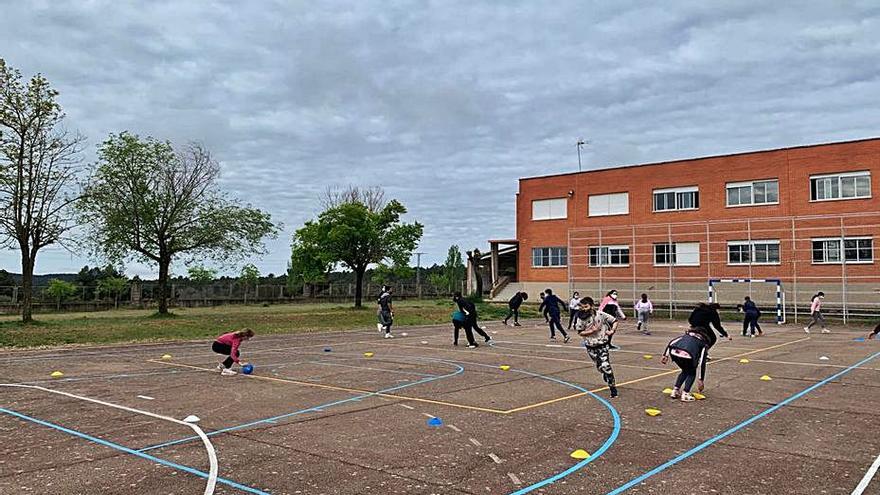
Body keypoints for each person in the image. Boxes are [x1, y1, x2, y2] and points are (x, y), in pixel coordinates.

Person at [574, 296, 619, 398]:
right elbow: (580, 332)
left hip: (602, 345)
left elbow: (615, 321)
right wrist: (591, 331)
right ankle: (604, 373)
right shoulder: (580, 318)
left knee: (606, 366)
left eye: (586, 306)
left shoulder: (600, 315)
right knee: (600, 367)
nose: (584, 309)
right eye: (582, 307)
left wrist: (612, 331)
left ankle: (613, 388)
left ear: (591, 306)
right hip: (590, 346)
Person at [661, 330, 708, 402]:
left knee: (685, 371)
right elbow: (702, 362)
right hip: (688, 355)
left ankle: (675, 390)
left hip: (675, 353)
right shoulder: (703, 343)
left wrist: (665, 355)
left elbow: (671, 342)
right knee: (692, 373)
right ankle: (685, 394)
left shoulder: (684, 336)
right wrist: (701, 379)